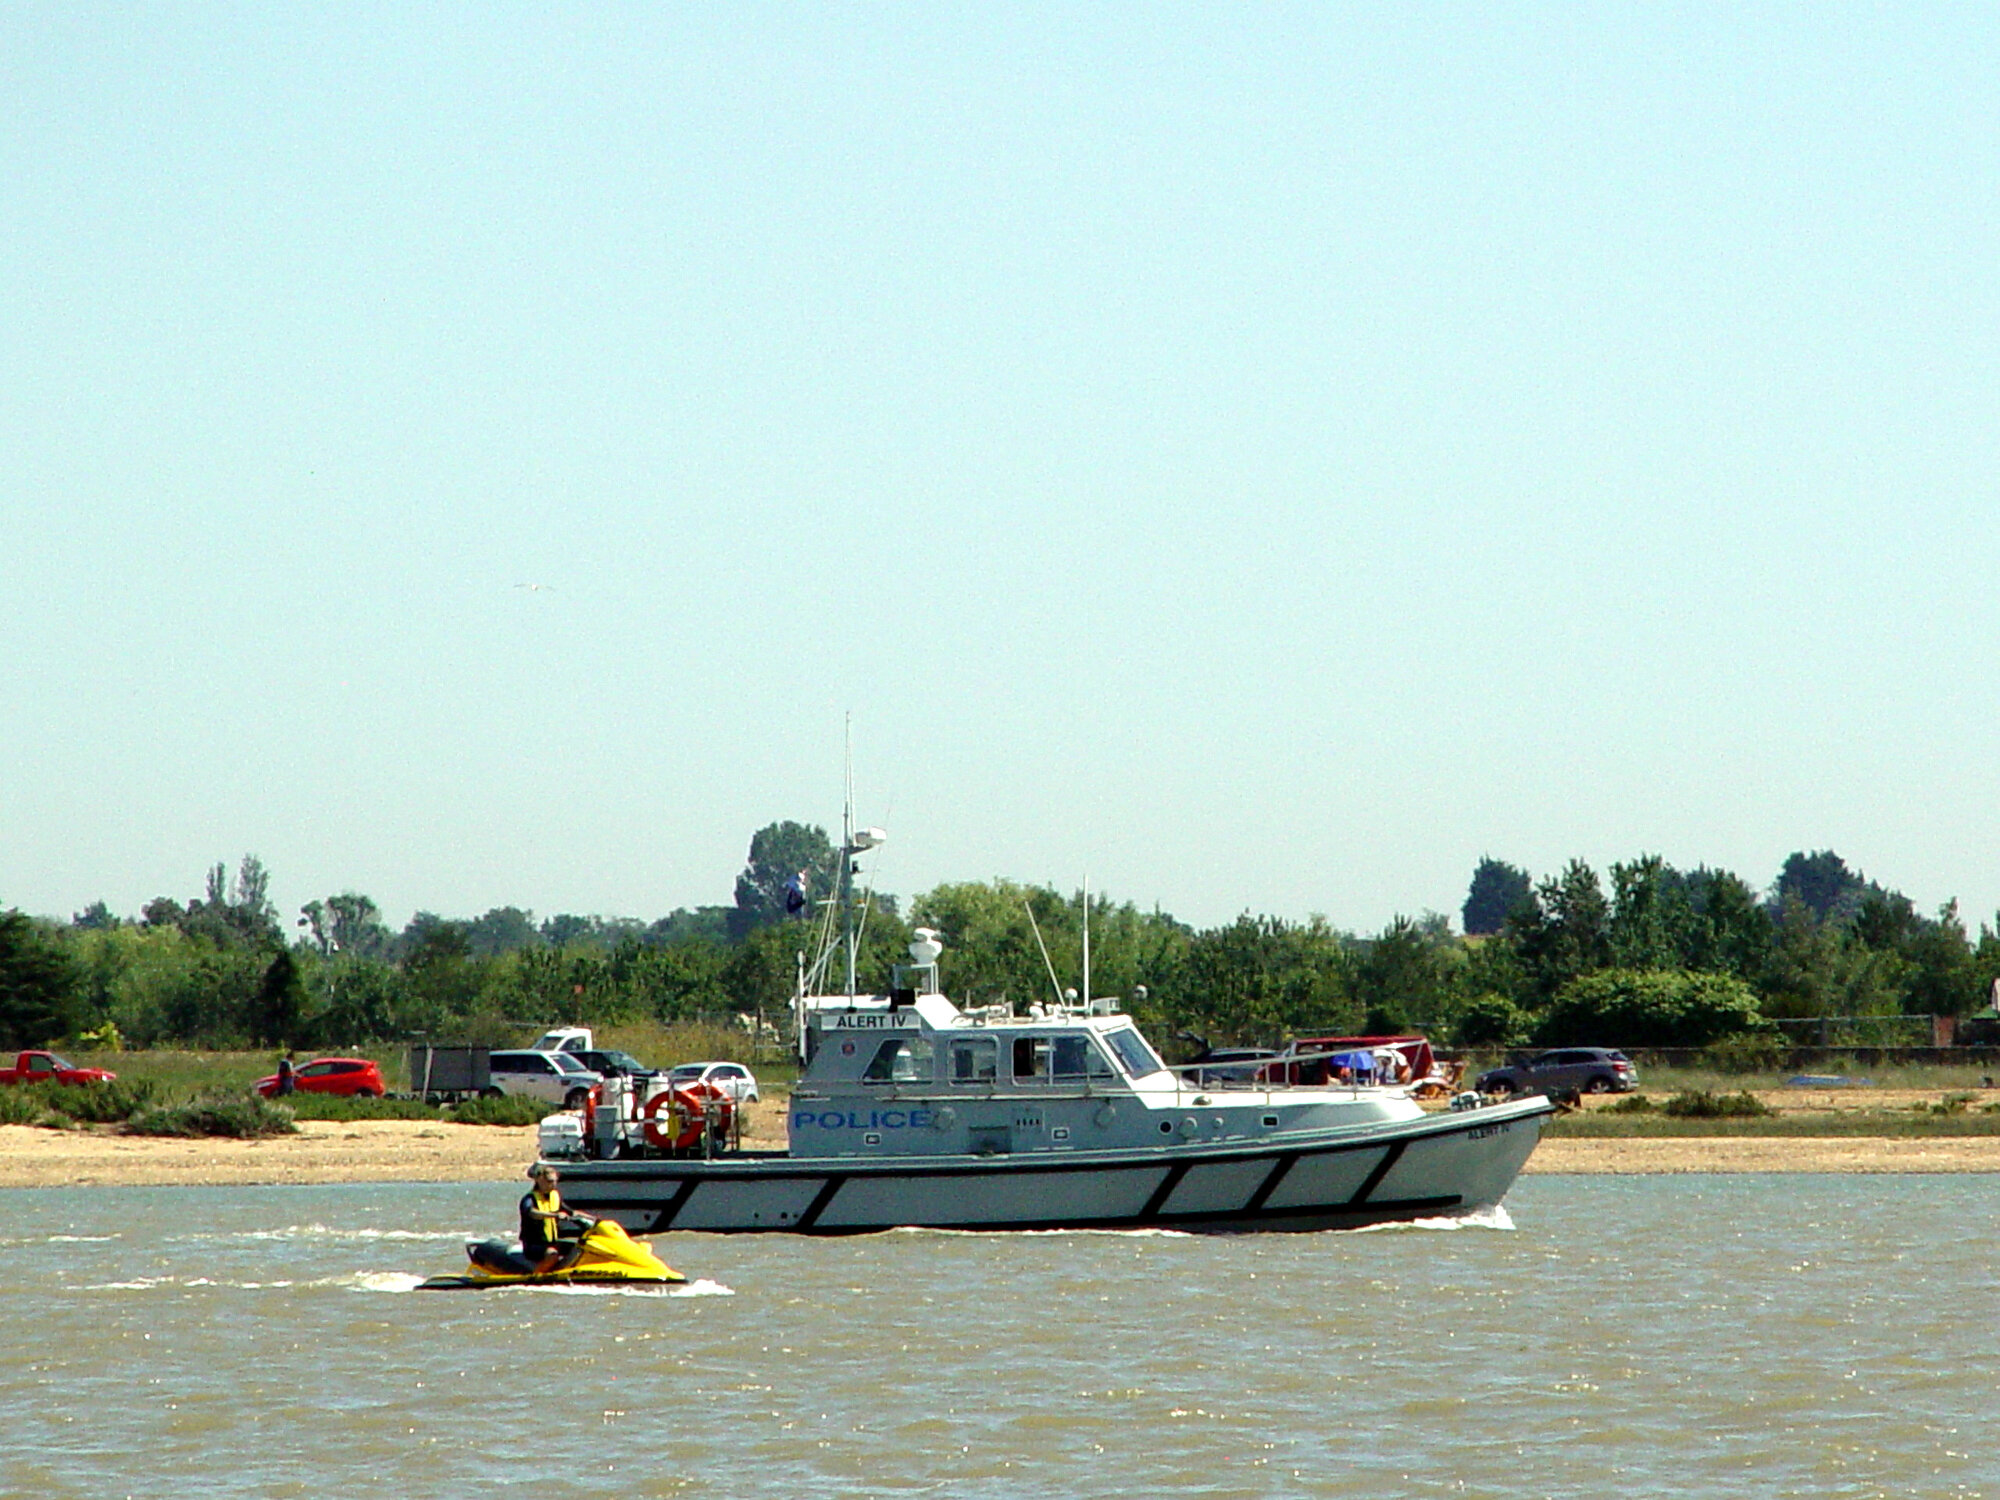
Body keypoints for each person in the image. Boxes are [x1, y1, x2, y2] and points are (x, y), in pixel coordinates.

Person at [519, 1165, 590, 1271]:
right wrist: (555, 1215)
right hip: (533, 1245)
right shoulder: (529, 1199)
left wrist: (595, 1220)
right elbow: (531, 1212)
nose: (553, 1184)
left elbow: (572, 1212)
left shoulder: (555, 1196)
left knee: (581, 1248)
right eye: (549, 1181)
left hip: (552, 1242)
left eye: (555, 1181)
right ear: (539, 1180)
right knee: (552, 1254)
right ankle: (536, 1276)